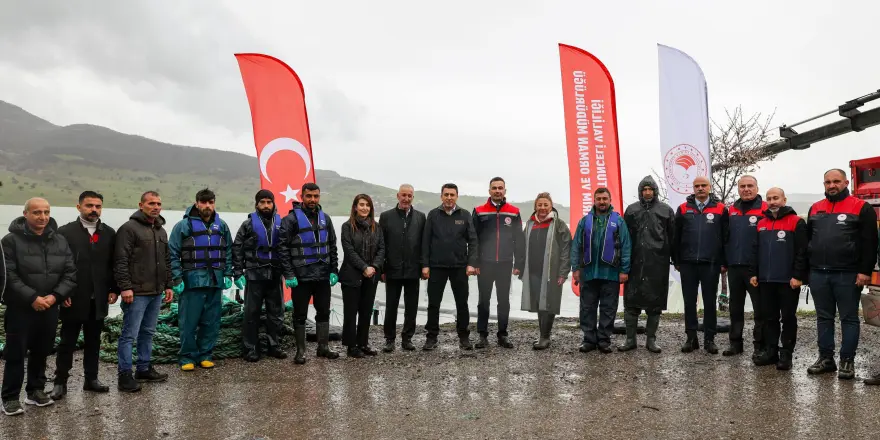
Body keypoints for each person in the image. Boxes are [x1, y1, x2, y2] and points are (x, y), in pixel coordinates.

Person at [1, 198, 76, 416]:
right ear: (25, 214)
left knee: (42, 351)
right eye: (36, 212)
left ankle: (35, 391)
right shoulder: (10, 241)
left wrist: (55, 297)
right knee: (16, 354)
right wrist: (33, 298)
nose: (42, 217)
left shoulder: (60, 241)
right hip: (20, 308)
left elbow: (70, 274)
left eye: (46, 212)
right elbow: (8, 276)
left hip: (50, 307)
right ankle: (10, 398)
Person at [805, 169, 878, 380]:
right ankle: (826, 359)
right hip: (819, 273)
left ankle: (847, 360)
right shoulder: (815, 208)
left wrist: (865, 271)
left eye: (836, 181)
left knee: (849, 318)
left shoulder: (861, 207)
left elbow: (870, 243)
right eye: (827, 182)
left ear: (846, 182)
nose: (831, 185)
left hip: (847, 274)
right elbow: (809, 240)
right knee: (823, 317)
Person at [50, 191, 118, 401]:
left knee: (94, 341)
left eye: (98, 206)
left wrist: (113, 289)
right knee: (67, 342)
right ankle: (60, 382)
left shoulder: (108, 233)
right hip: (73, 297)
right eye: (89, 206)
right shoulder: (65, 232)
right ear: (78, 207)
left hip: (98, 298)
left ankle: (91, 379)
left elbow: (112, 264)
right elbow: (56, 266)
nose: (94, 210)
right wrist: (62, 293)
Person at [169, 188, 234, 371]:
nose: (207, 206)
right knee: (188, 321)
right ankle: (187, 357)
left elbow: (228, 251)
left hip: (215, 281)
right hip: (192, 281)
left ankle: (205, 354)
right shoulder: (183, 226)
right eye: (204, 202)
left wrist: (228, 274)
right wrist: (177, 278)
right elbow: (173, 253)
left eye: (210, 202)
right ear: (197, 203)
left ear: (214, 203)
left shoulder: (222, 226)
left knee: (211, 321)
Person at [114, 191, 173, 393]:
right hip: (136, 292)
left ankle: (143, 368)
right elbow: (120, 261)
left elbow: (166, 261)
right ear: (141, 205)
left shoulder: (161, 231)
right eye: (151, 203)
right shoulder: (128, 229)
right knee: (129, 334)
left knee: (148, 331)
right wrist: (125, 287)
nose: (155, 207)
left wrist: (169, 285)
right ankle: (124, 374)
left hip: (156, 291)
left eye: (158, 203)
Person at [278, 182, 340, 364]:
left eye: (316, 196)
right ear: (302, 196)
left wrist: (334, 270)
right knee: (300, 314)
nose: (313, 200)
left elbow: (332, 246)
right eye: (309, 196)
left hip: (322, 276)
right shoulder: (290, 220)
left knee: (324, 312)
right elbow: (282, 248)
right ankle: (301, 351)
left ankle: (323, 347)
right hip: (301, 277)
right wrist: (288, 275)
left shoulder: (325, 219)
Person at [748, 188, 807, 371]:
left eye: (776, 198)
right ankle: (771, 351)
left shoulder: (796, 222)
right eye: (769, 198)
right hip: (765, 280)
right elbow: (755, 250)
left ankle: (786, 353)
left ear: (784, 199)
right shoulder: (761, 223)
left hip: (788, 281)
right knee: (769, 318)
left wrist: (798, 276)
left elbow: (802, 252)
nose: (772, 201)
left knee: (788, 318)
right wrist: (754, 273)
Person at [571, 188, 631, 354]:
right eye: (599, 199)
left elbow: (626, 246)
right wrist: (575, 268)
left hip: (611, 273)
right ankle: (589, 340)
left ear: (610, 200)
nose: (602, 202)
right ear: (594, 200)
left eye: (605, 198)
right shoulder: (584, 221)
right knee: (587, 308)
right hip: (588, 273)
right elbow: (576, 245)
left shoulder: (619, 221)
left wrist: (624, 270)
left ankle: (604, 340)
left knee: (608, 308)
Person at [619, 176, 675, 354]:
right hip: (634, 263)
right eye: (644, 189)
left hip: (657, 263)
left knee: (654, 304)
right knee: (631, 303)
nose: (648, 192)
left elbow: (673, 237)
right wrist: (621, 261)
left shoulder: (666, 210)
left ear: (655, 191)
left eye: (650, 189)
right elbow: (622, 238)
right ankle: (630, 339)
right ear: (640, 191)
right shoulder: (631, 210)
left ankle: (651, 340)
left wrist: (676, 259)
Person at [673, 176, 729, 355]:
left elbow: (726, 237)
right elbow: (676, 236)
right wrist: (677, 260)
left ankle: (709, 339)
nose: (700, 189)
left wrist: (723, 261)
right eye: (697, 186)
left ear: (709, 187)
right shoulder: (683, 208)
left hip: (711, 263)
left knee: (710, 302)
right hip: (688, 263)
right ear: (693, 188)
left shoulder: (721, 209)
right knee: (689, 302)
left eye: (703, 185)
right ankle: (691, 338)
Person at [421, 183, 479, 351]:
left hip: (460, 267)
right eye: (446, 194)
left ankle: (464, 337)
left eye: (452, 195)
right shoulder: (433, 215)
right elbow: (425, 242)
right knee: (433, 303)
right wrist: (425, 265)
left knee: (462, 303)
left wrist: (471, 263)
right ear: (441, 196)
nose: (449, 198)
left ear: (457, 196)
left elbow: (473, 241)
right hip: (436, 267)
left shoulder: (465, 215)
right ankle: (431, 337)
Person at [232, 189, 287, 362]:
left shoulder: (282, 223)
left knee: (276, 313)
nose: (265, 205)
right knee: (251, 313)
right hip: (255, 275)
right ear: (256, 204)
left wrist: (290, 273)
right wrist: (238, 272)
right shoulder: (247, 224)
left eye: (268, 202)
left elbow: (288, 248)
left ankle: (274, 346)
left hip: (275, 275)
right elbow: (237, 248)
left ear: (273, 204)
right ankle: (250, 348)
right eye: (262, 202)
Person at [472, 177, 525, 349]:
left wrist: (519, 264)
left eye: (500, 188)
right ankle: (482, 335)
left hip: (505, 263)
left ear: (505, 191)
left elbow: (519, 239)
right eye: (494, 188)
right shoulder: (479, 211)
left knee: (503, 301)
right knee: (483, 300)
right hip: (485, 264)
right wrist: (474, 263)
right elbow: (474, 240)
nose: (497, 190)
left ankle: (502, 334)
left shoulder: (514, 212)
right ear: (489, 191)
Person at [517, 192, 570, 350]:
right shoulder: (530, 224)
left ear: (551, 206)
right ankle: (542, 335)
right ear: (535, 206)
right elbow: (521, 247)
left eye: (545, 205)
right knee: (540, 303)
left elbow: (566, 249)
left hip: (551, 271)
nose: (542, 208)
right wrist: (519, 267)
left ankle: (545, 337)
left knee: (549, 302)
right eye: (539, 205)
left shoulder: (559, 224)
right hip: (533, 270)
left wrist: (563, 272)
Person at [723, 175, 768, 359]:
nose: (746, 189)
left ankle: (760, 344)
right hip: (734, 266)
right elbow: (725, 238)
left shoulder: (765, 209)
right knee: (735, 307)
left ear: (757, 188)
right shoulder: (731, 210)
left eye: (750, 186)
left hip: (756, 269)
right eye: (742, 186)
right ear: (738, 188)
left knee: (760, 309)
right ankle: (735, 343)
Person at [378, 184, 426, 352]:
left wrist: (424, 266)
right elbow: (380, 245)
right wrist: (381, 269)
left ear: (413, 197)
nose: (406, 198)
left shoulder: (421, 217)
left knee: (411, 306)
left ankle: (407, 338)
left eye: (409, 196)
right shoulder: (385, 217)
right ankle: (389, 339)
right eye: (403, 195)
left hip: (413, 269)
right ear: (398, 196)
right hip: (392, 269)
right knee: (391, 305)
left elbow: (424, 245)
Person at [340, 194, 386, 358]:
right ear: (355, 207)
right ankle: (351, 346)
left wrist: (374, 267)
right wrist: (364, 267)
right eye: (361, 204)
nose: (364, 208)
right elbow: (349, 251)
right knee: (351, 312)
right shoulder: (347, 227)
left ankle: (363, 343)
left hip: (371, 275)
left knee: (366, 311)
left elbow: (382, 249)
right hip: (351, 275)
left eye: (367, 205)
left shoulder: (377, 227)